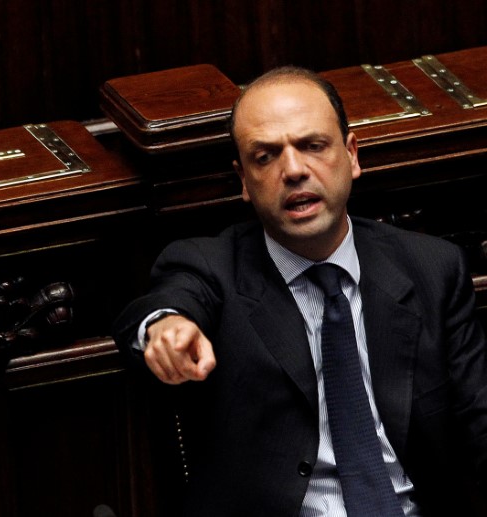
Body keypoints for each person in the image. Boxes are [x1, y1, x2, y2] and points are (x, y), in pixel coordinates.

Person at [112, 66, 487, 516]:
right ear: (244, 181)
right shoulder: (211, 265)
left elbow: (479, 427)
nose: (293, 170)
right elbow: (164, 305)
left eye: (313, 146)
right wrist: (167, 326)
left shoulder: (431, 268)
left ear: (351, 155)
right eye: (266, 157)